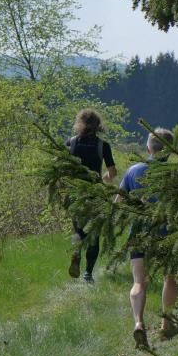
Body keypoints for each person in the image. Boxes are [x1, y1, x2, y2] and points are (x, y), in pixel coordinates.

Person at [114, 128, 178, 349]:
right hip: (166, 232)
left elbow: (117, 203)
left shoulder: (132, 171)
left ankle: (139, 323)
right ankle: (166, 324)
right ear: (170, 151)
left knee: (139, 282)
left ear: (148, 148)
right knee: (170, 277)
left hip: (139, 232)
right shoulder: (174, 174)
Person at [65, 109, 117, 283]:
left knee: (78, 230)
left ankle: (76, 250)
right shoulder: (103, 145)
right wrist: (105, 178)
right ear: (98, 125)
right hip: (95, 195)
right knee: (94, 233)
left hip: (75, 194)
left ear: (79, 123)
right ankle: (88, 274)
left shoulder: (71, 142)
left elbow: (60, 164)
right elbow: (112, 172)